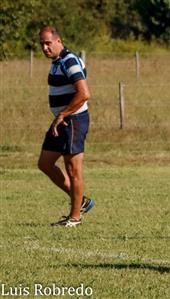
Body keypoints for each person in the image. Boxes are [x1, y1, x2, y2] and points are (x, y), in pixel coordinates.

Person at [37, 26, 95, 227]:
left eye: (48, 43)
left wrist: (62, 114)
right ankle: (82, 201)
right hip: (60, 121)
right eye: (42, 44)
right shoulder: (57, 62)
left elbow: (84, 93)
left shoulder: (69, 60)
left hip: (73, 120)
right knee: (45, 163)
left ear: (58, 41)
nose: (45, 47)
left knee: (73, 169)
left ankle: (75, 217)